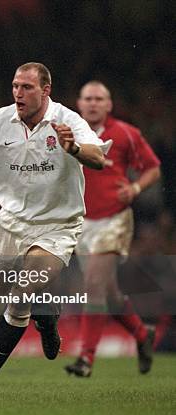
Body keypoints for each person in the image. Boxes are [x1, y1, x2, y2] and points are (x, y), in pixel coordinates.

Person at [0, 63, 109, 395]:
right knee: (5, 302)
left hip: (58, 226)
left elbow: (99, 157)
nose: (18, 94)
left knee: (21, 295)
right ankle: (47, 315)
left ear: (46, 90)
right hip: (11, 224)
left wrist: (75, 149)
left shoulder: (68, 120)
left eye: (26, 87)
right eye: (14, 87)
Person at [64, 81, 161, 377]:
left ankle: (86, 359)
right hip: (81, 221)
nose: (93, 104)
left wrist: (134, 187)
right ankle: (142, 334)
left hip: (114, 219)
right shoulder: (68, 132)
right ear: (79, 104)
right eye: (88, 99)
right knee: (108, 293)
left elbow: (153, 168)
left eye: (99, 99)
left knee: (93, 285)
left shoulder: (126, 134)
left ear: (109, 105)